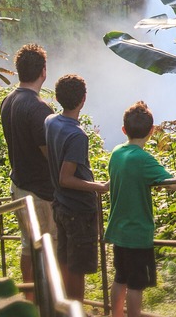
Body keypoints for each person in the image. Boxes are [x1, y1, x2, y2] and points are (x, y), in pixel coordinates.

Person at [0, 44, 58, 300]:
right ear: (43, 72)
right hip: (40, 193)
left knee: (28, 245)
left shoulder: (8, 100)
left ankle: (30, 298)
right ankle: (49, 301)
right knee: (48, 246)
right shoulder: (39, 108)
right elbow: (49, 154)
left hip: (19, 186)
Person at [103, 102, 173, 317]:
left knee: (120, 278)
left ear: (124, 130)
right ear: (152, 132)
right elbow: (172, 183)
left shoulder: (116, 153)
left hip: (119, 231)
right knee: (136, 285)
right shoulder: (144, 159)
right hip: (137, 234)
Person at [44, 73, 109, 301]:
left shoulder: (50, 121)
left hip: (60, 205)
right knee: (78, 267)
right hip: (77, 210)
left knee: (65, 260)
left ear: (58, 97)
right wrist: (98, 186)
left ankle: (66, 308)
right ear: (83, 99)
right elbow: (66, 178)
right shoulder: (77, 135)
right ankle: (76, 309)